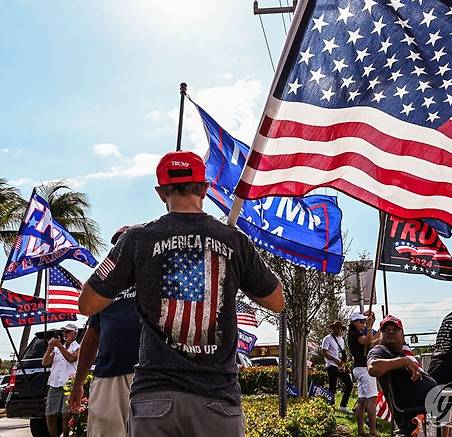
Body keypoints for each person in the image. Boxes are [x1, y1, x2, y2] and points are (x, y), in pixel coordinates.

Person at [78, 150, 284, 437]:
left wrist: (131, 268)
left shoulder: (137, 239)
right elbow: (277, 300)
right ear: (204, 188)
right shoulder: (234, 240)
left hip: (155, 397)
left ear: (161, 192)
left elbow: (87, 303)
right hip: (217, 398)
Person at [367, 315, 452, 437]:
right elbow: (373, 368)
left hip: (438, 405)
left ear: (402, 335)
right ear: (381, 335)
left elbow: (424, 389)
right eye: (386, 329)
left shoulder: (402, 354)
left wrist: (450, 393)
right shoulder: (380, 351)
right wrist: (404, 361)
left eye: (395, 329)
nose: (390, 331)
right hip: (423, 413)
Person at [69, 226, 141, 437]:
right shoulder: (103, 290)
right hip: (107, 375)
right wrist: (78, 384)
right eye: (118, 246)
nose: (123, 250)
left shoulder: (154, 277)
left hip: (151, 374)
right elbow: (92, 337)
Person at [41, 323, 80, 437]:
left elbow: (71, 358)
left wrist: (59, 346)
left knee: (66, 415)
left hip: (68, 384)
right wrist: (50, 347)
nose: (64, 334)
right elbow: (44, 362)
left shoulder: (78, 347)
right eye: (63, 332)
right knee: (50, 414)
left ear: (74, 333)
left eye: (67, 332)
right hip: (55, 384)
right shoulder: (58, 349)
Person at [348, 312, 380, 436]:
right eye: (361, 321)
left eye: (363, 321)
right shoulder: (354, 334)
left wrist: (373, 323)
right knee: (372, 399)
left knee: (362, 401)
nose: (363, 323)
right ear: (354, 323)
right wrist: (370, 327)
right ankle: (373, 430)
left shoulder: (358, 332)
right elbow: (368, 341)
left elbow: (372, 339)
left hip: (359, 368)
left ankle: (361, 430)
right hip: (363, 369)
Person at [321, 320, 353, 413]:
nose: (338, 330)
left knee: (349, 384)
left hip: (341, 366)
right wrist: (334, 360)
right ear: (333, 328)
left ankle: (343, 406)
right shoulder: (327, 338)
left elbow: (343, 354)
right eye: (336, 328)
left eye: (340, 328)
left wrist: (345, 366)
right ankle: (331, 407)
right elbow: (324, 352)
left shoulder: (342, 340)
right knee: (332, 387)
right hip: (331, 365)